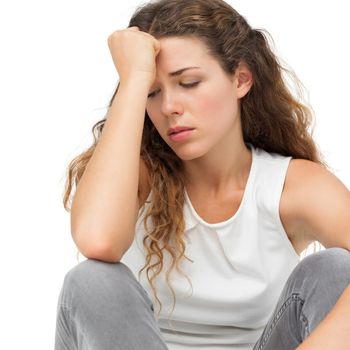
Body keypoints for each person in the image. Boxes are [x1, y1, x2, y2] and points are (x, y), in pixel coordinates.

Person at [54, 0, 350, 349]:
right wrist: (134, 78)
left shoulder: (291, 187)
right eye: (152, 92)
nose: (168, 108)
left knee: (335, 269)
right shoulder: (136, 178)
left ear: (240, 79)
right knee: (92, 280)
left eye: (189, 83)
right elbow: (97, 240)